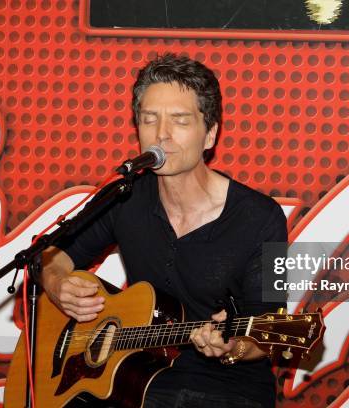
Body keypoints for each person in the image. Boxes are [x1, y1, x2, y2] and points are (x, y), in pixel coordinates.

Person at [41, 53, 287, 408]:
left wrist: (232, 347)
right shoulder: (124, 197)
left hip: (226, 388)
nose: (161, 135)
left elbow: (269, 333)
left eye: (180, 120)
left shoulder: (262, 218)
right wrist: (56, 283)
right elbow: (49, 256)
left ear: (210, 134)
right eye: (149, 119)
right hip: (131, 378)